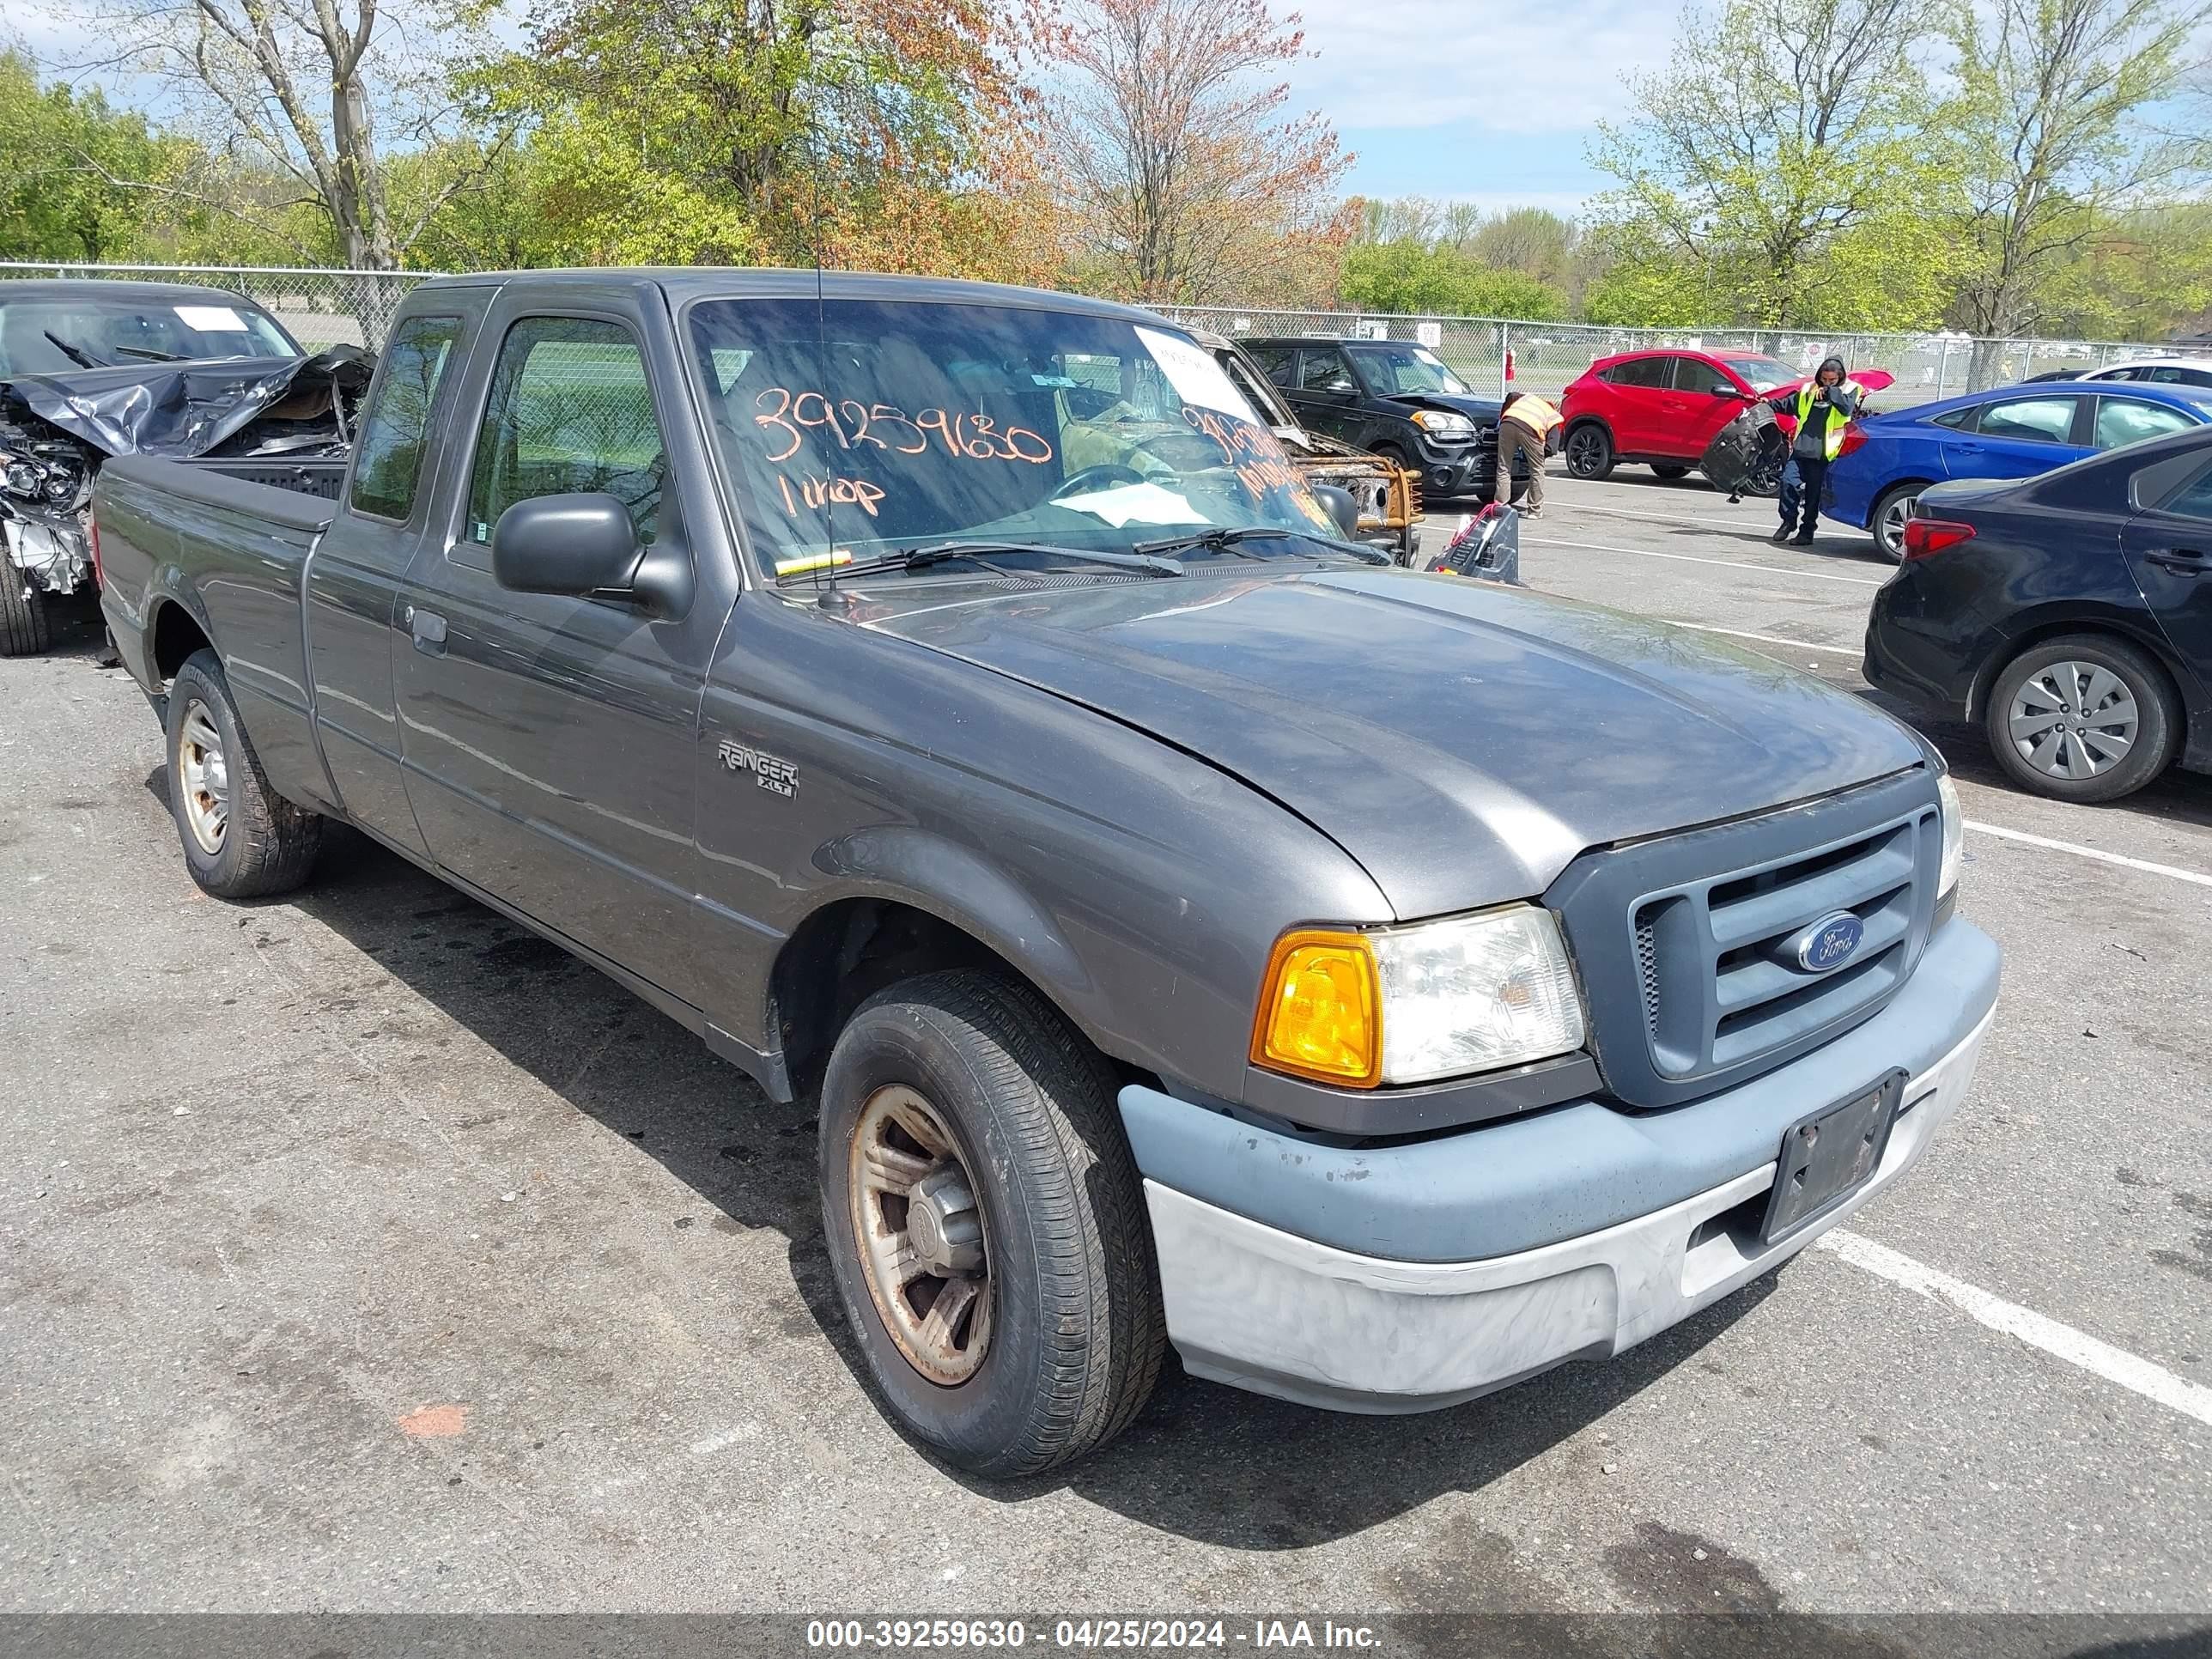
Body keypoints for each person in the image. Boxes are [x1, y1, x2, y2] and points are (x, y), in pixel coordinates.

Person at [1768, 356, 1862, 545]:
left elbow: (1846, 408)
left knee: (1813, 495)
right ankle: (1788, 521)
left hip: (1825, 452)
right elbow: (1788, 404)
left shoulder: (1850, 389)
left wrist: (1830, 392)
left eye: (1832, 380)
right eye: (1824, 379)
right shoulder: (1808, 389)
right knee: (1788, 483)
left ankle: (1807, 532)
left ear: (1840, 377)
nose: (1827, 383)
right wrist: (1766, 402)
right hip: (1802, 448)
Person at [1492, 389, 1561, 519]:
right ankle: (1535, 510)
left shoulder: (1528, 399)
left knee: (1504, 467)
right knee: (1537, 470)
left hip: (1507, 423)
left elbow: (1511, 397)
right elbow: (1552, 447)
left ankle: (1501, 506)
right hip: (1530, 428)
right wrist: (1539, 455)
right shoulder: (1553, 416)